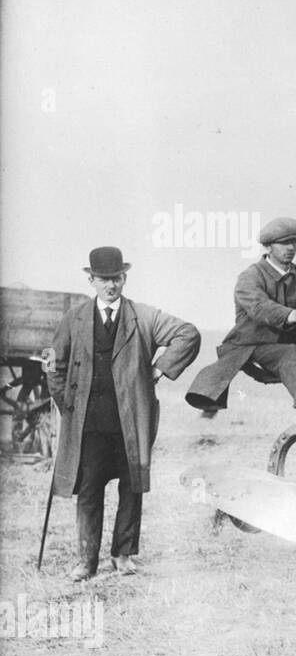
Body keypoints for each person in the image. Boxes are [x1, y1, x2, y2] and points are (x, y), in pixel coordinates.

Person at [48, 246, 201, 580]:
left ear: (124, 278)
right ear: (91, 279)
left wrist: (159, 370)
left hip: (130, 422)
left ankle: (123, 555)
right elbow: (54, 364)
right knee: (89, 490)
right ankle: (87, 560)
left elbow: (187, 333)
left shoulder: (142, 316)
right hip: (89, 424)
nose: (110, 286)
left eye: (115, 278)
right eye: (103, 279)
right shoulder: (73, 319)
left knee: (131, 487)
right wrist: (68, 406)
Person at [185, 216, 296, 436]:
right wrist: (293, 315)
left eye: (294, 242)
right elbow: (259, 307)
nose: (291, 248)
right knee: (289, 353)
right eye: (284, 243)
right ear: (268, 247)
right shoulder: (250, 277)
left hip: (289, 342)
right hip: (254, 345)